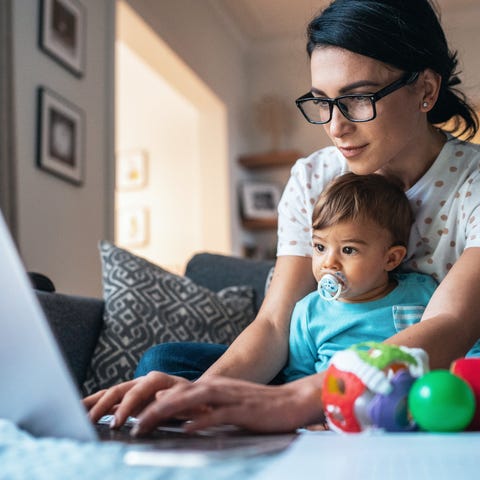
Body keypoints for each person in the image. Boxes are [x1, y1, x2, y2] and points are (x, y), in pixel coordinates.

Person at [84, 0, 480, 436]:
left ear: (425, 89)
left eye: (357, 99)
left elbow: (450, 325)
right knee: (166, 366)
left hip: (434, 374)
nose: (335, 126)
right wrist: (204, 394)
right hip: (316, 365)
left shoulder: (473, 182)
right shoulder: (314, 176)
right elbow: (276, 322)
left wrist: (297, 400)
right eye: (322, 102)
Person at [282, 172, 437, 383]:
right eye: (320, 247)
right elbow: (297, 378)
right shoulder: (307, 313)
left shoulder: (423, 293)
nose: (329, 263)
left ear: (391, 259)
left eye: (348, 250)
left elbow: (464, 345)